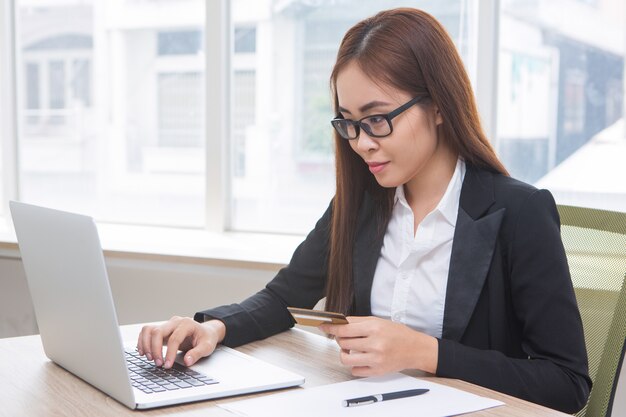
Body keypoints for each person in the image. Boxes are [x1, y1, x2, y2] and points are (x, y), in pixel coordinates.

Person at [136, 8, 591, 413]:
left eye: (377, 118)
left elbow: (567, 384)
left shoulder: (519, 212)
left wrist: (425, 352)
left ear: (436, 106)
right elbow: (283, 300)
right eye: (349, 123)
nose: (361, 143)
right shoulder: (363, 203)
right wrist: (214, 328)